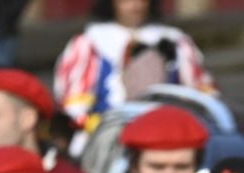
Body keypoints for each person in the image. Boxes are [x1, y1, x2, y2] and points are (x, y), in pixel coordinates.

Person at [53, 0, 214, 134]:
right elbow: (74, 105)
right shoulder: (91, 42)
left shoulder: (174, 40)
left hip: (165, 129)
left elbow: (201, 95)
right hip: (107, 131)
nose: (135, 6)